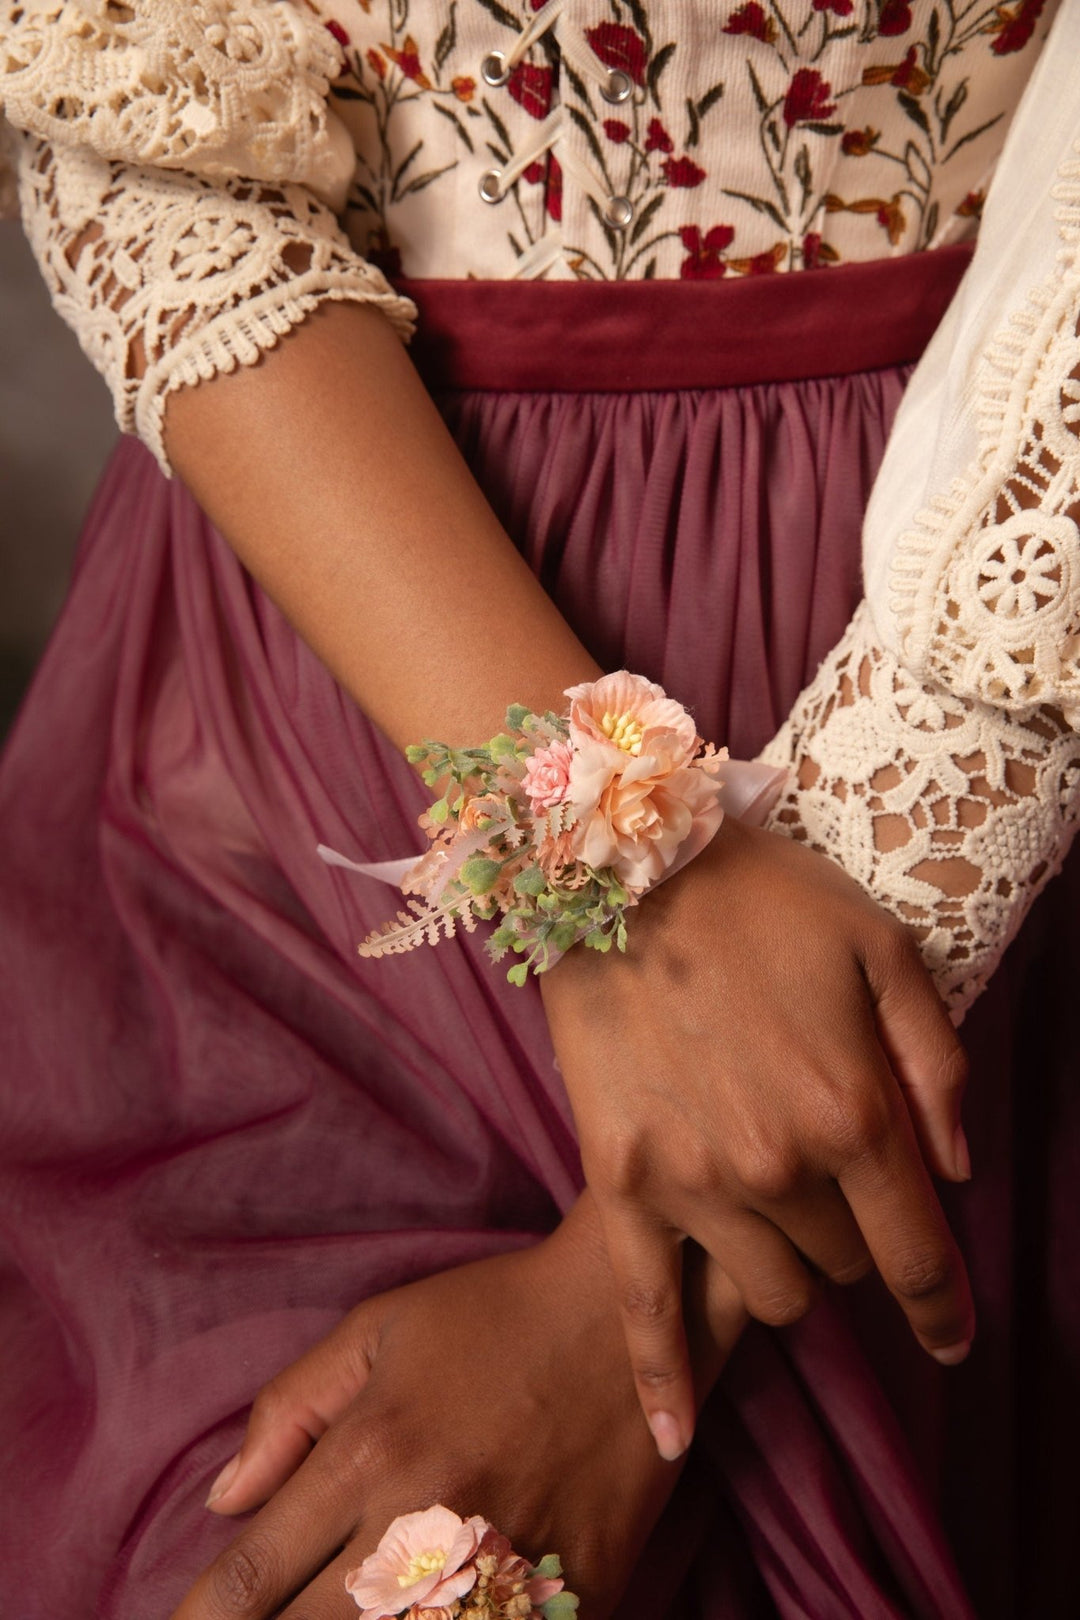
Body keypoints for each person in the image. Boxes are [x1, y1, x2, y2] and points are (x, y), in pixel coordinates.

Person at [0, 2, 1077, 1616]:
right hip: (315, 686)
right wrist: (596, 851)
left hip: (965, 700)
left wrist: (615, 1324)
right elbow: (147, 144)